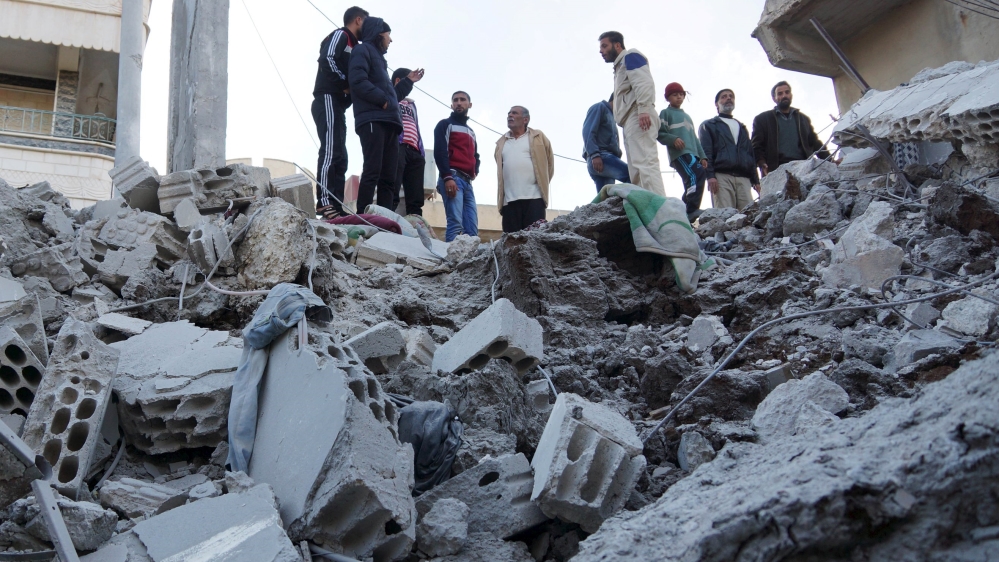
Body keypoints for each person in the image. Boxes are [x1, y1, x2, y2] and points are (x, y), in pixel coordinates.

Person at [311, 6, 367, 220]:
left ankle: (335, 205)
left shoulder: (357, 47)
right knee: (331, 150)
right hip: (327, 98)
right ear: (358, 20)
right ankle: (324, 202)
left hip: (337, 105)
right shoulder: (340, 35)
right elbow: (327, 59)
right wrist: (345, 85)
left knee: (341, 156)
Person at [598, 31, 665, 196]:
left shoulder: (630, 56)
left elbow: (644, 83)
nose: (601, 51)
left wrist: (643, 109)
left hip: (638, 115)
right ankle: (646, 209)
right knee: (636, 170)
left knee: (645, 164)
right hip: (630, 120)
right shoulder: (619, 67)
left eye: (604, 46)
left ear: (618, 45)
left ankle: (659, 208)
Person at [348, 17, 402, 212]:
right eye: (389, 35)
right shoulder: (362, 50)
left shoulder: (381, 61)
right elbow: (357, 80)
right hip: (372, 119)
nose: (391, 40)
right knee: (373, 170)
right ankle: (364, 214)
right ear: (380, 33)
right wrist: (382, 99)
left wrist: (405, 85)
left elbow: (392, 93)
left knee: (389, 177)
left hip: (390, 122)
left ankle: (385, 219)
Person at [751, 81, 831, 178]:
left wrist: (830, 160)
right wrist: (761, 163)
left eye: (787, 92)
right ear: (774, 98)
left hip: (803, 167)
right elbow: (756, 145)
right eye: (780, 94)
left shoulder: (803, 119)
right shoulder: (763, 119)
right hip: (777, 169)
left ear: (791, 95)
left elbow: (815, 143)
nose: (784, 95)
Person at [698, 89, 760, 210]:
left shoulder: (742, 127)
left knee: (749, 217)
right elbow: (706, 152)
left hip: (744, 178)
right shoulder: (709, 125)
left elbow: (749, 154)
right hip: (721, 177)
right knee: (725, 217)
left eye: (731, 96)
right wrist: (710, 176)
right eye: (724, 96)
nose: (728, 98)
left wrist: (756, 181)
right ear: (716, 103)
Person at [494, 106, 554, 233]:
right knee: (511, 244)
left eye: (514, 113)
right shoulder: (501, 143)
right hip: (509, 202)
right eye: (509, 113)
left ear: (525, 119)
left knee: (534, 241)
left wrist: (541, 183)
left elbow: (549, 164)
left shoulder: (538, 137)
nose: (510, 115)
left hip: (534, 199)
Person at [657, 82, 708, 220]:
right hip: (680, 153)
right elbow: (660, 133)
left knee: (698, 175)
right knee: (693, 176)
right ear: (668, 98)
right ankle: (690, 209)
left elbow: (695, 138)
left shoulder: (688, 117)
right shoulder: (665, 113)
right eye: (675, 95)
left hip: (693, 154)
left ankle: (683, 211)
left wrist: (702, 156)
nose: (679, 97)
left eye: (681, 94)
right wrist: (673, 139)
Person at [433, 91, 480, 241]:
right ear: (452, 104)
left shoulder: (472, 132)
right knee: (455, 223)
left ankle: (471, 263)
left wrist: (474, 170)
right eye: (455, 100)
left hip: (467, 182)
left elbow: (476, 156)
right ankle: (451, 262)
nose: (459, 102)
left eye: (463, 100)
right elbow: (440, 151)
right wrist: (447, 177)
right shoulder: (445, 125)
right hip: (452, 177)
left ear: (469, 104)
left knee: (472, 229)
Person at [391, 67, 426, 216]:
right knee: (393, 185)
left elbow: (415, 125)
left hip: (415, 150)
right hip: (398, 146)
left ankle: (416, 220)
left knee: (416, 191)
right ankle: (388, 216)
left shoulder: (412, 104)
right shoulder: (391, 96)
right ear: (399, 81)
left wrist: (421, 151)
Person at [582, 95, 630, 192]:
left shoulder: (612, 117)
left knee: (606, 198)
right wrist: (594, 155)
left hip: (603, 157)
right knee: (632, 175)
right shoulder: (599, 107)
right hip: (601, 156)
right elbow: (588, 131)